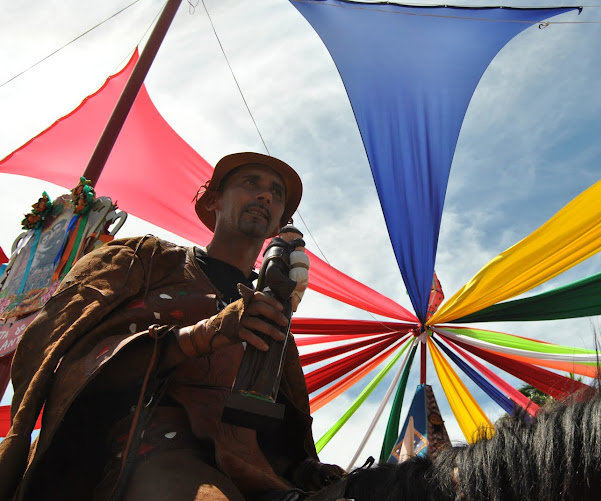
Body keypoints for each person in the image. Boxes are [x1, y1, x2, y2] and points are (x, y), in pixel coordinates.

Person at [0, 152, 345, 501]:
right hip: (145, 449)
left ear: (278, 226)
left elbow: (279, 429)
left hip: (252, 472)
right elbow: (70, 361)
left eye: (276, 193)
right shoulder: (146, 259)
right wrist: (202, 336)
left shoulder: (272, 316)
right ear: (213, 201)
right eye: (250, 183)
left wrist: (307, 469)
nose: (265, 196)